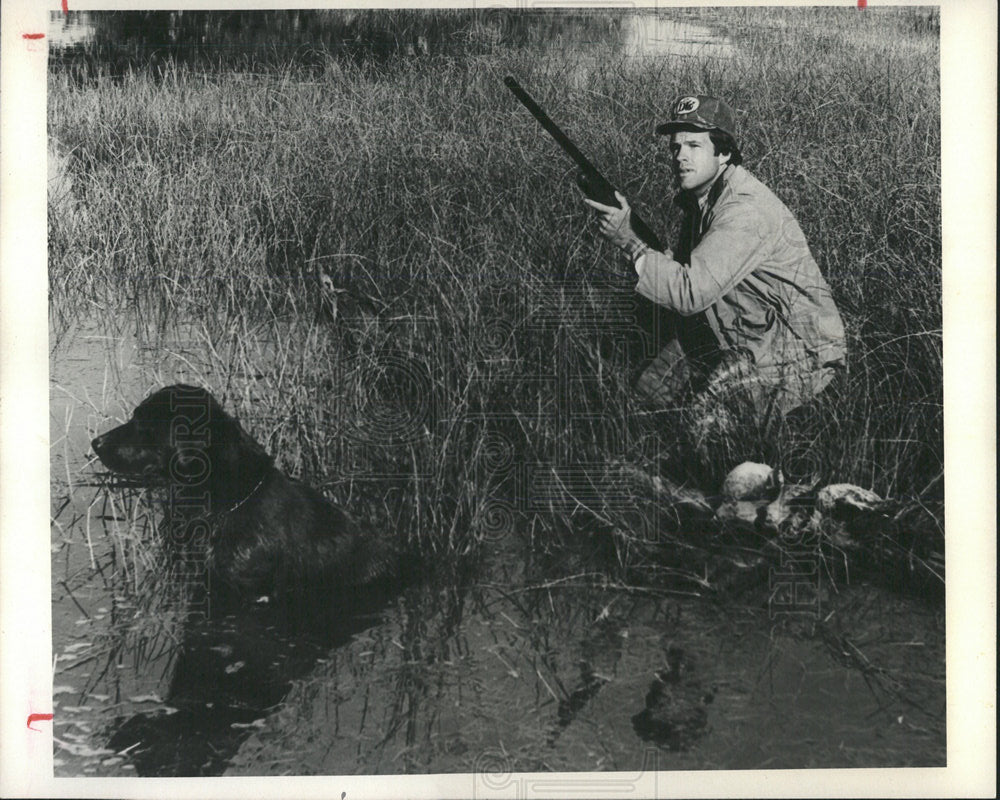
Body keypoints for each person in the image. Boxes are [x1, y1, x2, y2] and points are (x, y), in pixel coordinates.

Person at [584, 94, 846, 460]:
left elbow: (689, 293)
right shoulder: (704, 198)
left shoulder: (745, 210)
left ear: (723, 153)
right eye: (675, 147)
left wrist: (630, 242)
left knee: (702, 433)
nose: (680, 157)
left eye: (694, 145)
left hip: (795, 352)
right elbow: (691, 272)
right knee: (645, 396)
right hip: (741, 328)